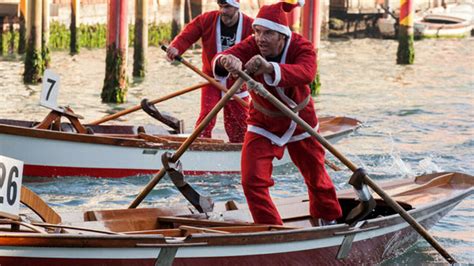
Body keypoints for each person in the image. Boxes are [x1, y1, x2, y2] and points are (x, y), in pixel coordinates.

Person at [212, 0, 343, 225]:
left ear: (282, 36)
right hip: (263, 120)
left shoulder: (301, 47)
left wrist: (269, 68)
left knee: (316, 178)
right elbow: (222, 59)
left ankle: (329, 219)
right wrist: (226, 60)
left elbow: (307, 73)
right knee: (252, 180)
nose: (260, 39)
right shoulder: (252, 45)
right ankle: (270, 228)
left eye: (268, 34)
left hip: (300, 120)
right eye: (257, 32)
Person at [166, 0, 253, 143]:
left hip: (238, 82)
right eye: (221, 7)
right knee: (207, 116)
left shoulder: (250, 25)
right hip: (211, 79)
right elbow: (187, 35)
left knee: (240, 122)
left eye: (227, 7)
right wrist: (176, 47)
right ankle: (200, 144)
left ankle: (241, 149)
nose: (223, 11)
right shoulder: (207, 20)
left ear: (237, 7)